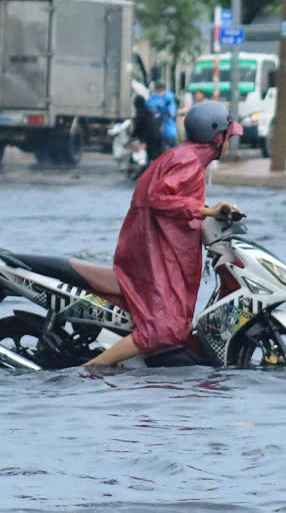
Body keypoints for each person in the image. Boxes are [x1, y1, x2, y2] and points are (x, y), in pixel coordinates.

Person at [83, 100, 242, 369]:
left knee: (178, 326)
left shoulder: (185, 157)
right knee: (165, 330)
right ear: (216, 137)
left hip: (155, 248)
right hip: (153, 253)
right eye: (228, 137)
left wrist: (212, 213)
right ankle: (92, 368)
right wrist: (205, 210)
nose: (229, 144)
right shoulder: (188, 161)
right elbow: (160, 198)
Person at [145, 82, 179, 159]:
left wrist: (161, 112)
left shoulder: (169, 97)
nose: (159, 91)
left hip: (166, 127)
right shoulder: (153, 98)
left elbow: (171, 113)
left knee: (171, 146)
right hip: (157, 128)